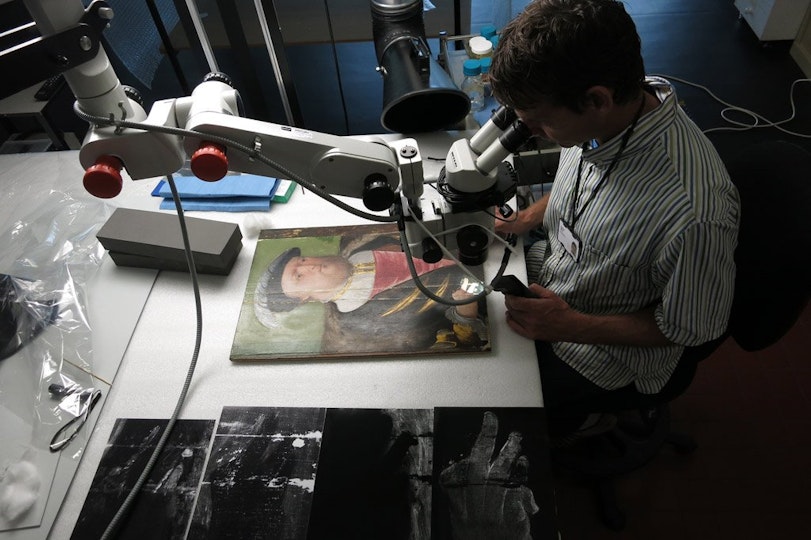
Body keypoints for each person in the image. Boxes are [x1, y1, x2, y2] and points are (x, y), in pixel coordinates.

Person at [489, 0, 740, 437]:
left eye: (541, 124)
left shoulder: (695, 214)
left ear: (597, 99)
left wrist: (569, 325)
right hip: (554, 272)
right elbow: (594, 186)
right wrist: (530, 216)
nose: (535, 134)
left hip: (603, 348)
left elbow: (689, 328)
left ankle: (588, 419)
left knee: (496, 399)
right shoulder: (601, 121)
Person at [253, 231, 489, 354]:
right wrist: (466, 312)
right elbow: (458, 344)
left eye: (301, 260)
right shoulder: (359, 327)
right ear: (303, 298)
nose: (308, 265)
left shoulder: (360, 240)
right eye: (299, 276)